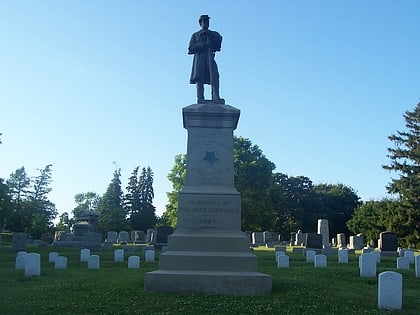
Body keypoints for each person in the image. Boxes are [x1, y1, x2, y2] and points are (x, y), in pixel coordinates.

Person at [188, 15, 224, 104]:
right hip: (199, 59)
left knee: (214, 76)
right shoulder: (196, 35)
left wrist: (209, 34)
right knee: (199, 79)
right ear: (200, 23)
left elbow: (219, 40)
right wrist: (204, 44)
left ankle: (216, 96)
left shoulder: (212, 34)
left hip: (210, 58)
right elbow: (191, 48)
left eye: (207, 21)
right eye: (204, 21)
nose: (206, 23)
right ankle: (200, 98)